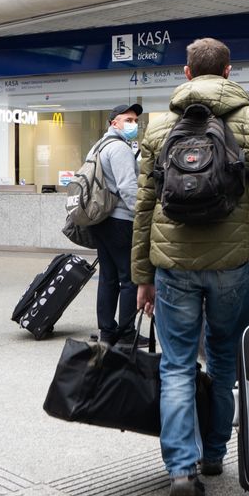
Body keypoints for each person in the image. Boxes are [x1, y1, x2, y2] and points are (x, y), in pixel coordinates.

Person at [132, 37, 249, 496]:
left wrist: (142, 275)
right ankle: (215, 454)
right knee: (224, 361)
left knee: (178, 365)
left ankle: (181, 469)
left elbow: (144, 207)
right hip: (233, 264)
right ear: (228, 72)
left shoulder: (159, 127)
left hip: (172, 265)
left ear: (185, 73)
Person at [93, 102, 143, 345]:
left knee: (108, 278)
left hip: (101, 220)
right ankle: (126, 334)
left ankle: (107, 331)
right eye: (128, 120)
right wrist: (141, 216)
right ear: (114, 123)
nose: (134, 124)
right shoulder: (120, 148)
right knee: (129, 279)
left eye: (135, 120)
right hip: (121, 220)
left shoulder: (98, 146)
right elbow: (127, 187)